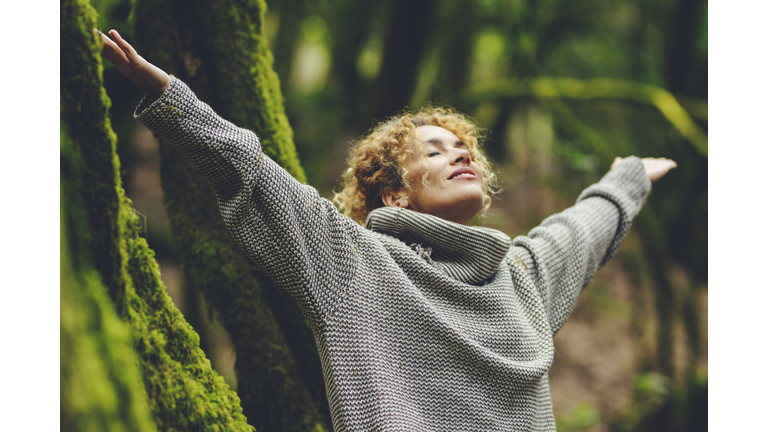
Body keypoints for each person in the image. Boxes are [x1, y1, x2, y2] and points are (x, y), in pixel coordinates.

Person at [99, 29, 677, 432]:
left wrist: (630, 179)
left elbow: (580, 229)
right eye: (436, 150)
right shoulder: (353, 264)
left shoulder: (520, 278)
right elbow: (254, 173)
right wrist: (166, 95)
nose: (461, 156)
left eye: (464, 149)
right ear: (395, 192)